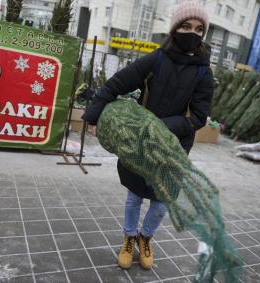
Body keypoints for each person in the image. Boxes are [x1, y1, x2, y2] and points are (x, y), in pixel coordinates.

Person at [82, 1, 214, 270]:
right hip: (138, 143)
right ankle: (129, 237)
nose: (193, 33)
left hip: (172, 148)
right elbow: (116, 84)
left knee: (162, 201)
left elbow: (199, 118)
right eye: (186, 26)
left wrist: (161, 126)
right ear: (175, 28)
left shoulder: (204, 72)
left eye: (199, 29)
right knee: (134, 195)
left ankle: (146, 238)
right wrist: (93, 115)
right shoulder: (156, 59)